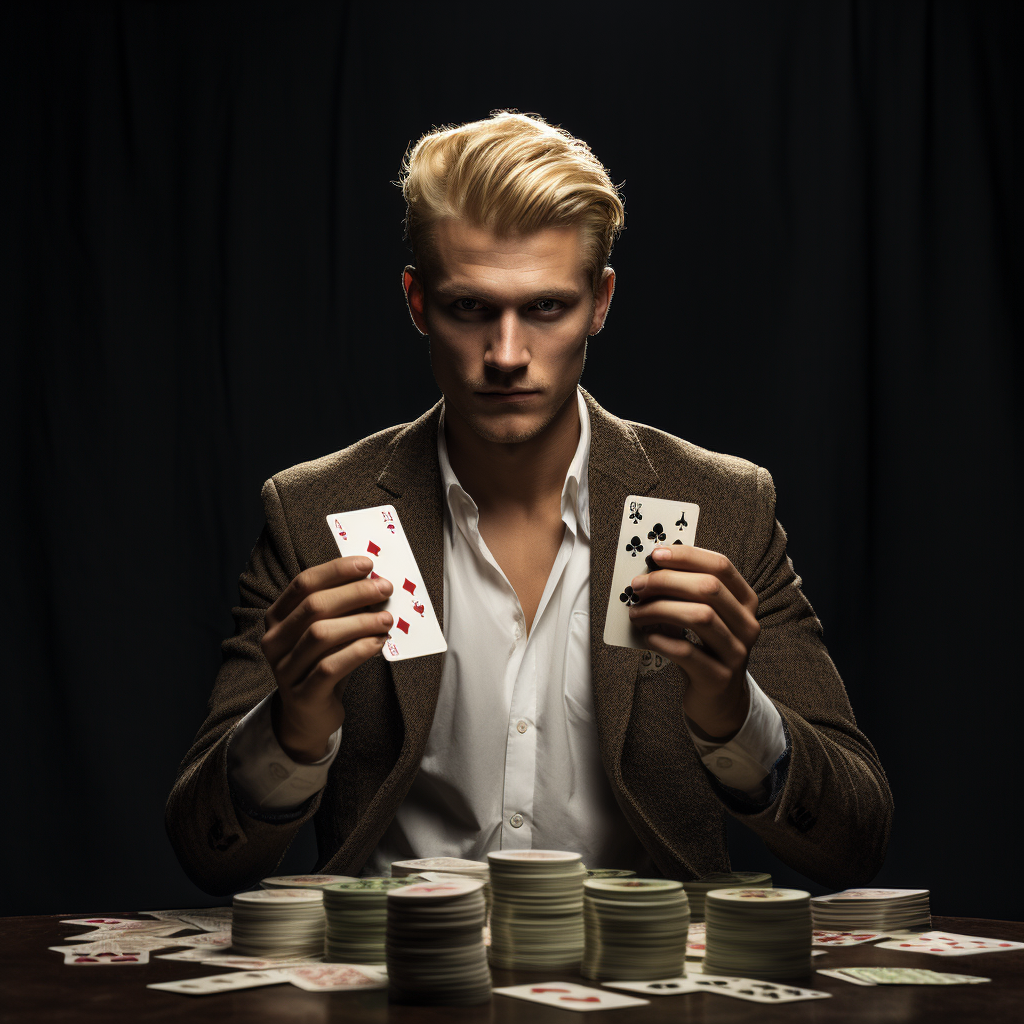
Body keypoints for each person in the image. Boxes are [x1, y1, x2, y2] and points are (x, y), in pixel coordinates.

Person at [166, 111, 892, 896]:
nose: (507, 356)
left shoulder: (721, 505)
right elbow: (206, 850)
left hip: (650, 992)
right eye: (469, 308)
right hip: (388, 986)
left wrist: (731, 713)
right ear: (417, 303)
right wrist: (292, 727)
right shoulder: (313, 512)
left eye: (546, 308)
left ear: (600, 301)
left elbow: (856, 838)